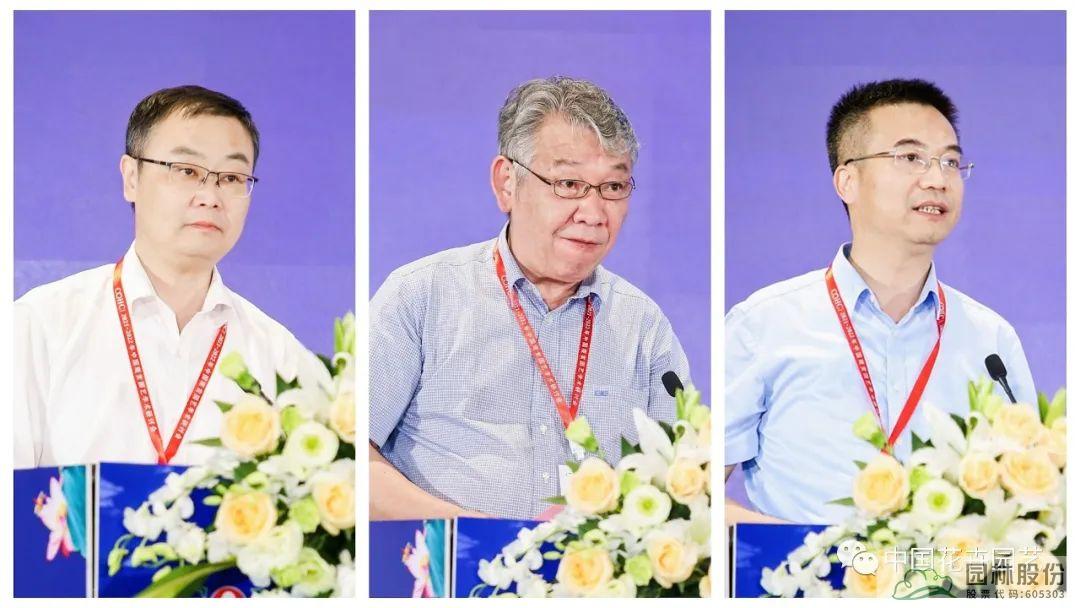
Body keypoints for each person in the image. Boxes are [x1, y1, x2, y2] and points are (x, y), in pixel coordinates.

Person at [370, 76, 692, 520]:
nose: (594, 213)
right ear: (507, 183)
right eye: (569, 184)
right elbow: (351, 459)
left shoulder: (643, 325)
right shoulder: (422, 296)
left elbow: (681, 482)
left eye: (613, 188)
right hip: (448, 559)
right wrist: (479, 537)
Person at [724, 79, 1037, 525]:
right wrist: (800, 546)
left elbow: (1030, 504)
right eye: (910, 158)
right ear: (847, 180)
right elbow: (698, 497)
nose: (937, 179)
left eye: (950, 162)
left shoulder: (991, 342)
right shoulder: (764, 325)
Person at [15, 85, 326, 469]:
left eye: (232, 177)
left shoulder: (281, 359)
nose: (210, 196)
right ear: (131, 177)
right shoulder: (40, 326)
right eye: (187, 171)